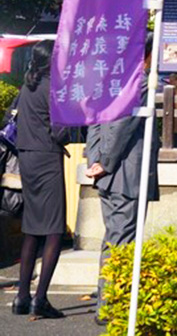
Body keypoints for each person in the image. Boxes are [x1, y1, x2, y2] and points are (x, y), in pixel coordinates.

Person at [84, 81, 160, 317]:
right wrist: (104, 162)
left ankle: (110, 303)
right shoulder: (139, 83)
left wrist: (95, 160)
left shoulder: (109, 80)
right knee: (121, 244)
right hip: (125, 175)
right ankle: (111, 306)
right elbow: (122, 126)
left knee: (114, 240)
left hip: (109, 176)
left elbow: (95, 121)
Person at [12, 39, 70, 318]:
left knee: (32, 228)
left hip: (27, 158)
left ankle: (21, 297)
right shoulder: (53, 89)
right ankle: (41, 298)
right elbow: (60, 132)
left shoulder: (27, 87)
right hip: (48, 158)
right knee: (54, 230)